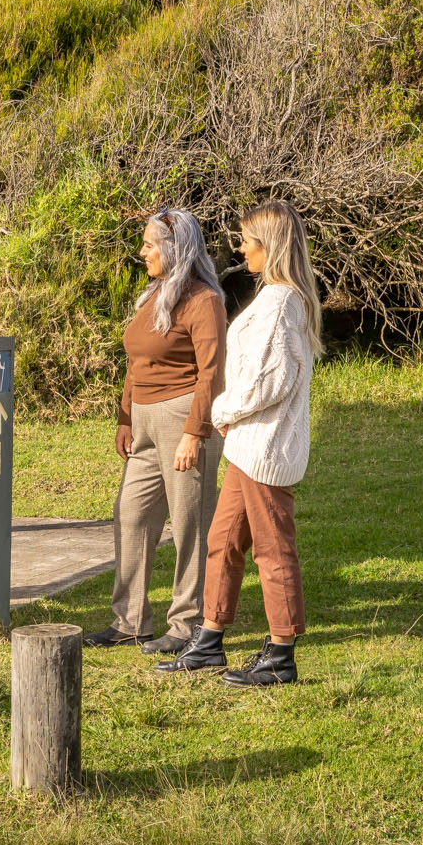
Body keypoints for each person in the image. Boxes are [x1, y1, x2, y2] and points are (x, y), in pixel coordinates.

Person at [155, 199, 322, 686]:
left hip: (264, 448)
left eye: (248, 241)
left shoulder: (284, 301)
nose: (241, 248)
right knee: (222, 540)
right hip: (248, 445)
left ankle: (281, 652)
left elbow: (271, 382)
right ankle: (208, 640)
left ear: (269, 247)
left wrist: (221, 411)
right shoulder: (276, 296)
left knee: (273, 549)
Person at [84, 209, 226, 654]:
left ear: (174, 248)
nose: (142, 251)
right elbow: (136, 362)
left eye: (149, 244)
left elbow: (212, 374)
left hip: (183, 417)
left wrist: (194, 432)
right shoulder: (153, 296)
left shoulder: (204, 300)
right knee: (131, 514)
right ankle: (130, 620)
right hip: (144, 420)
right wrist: (126, 418)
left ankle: (187, 625)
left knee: (189, 524)